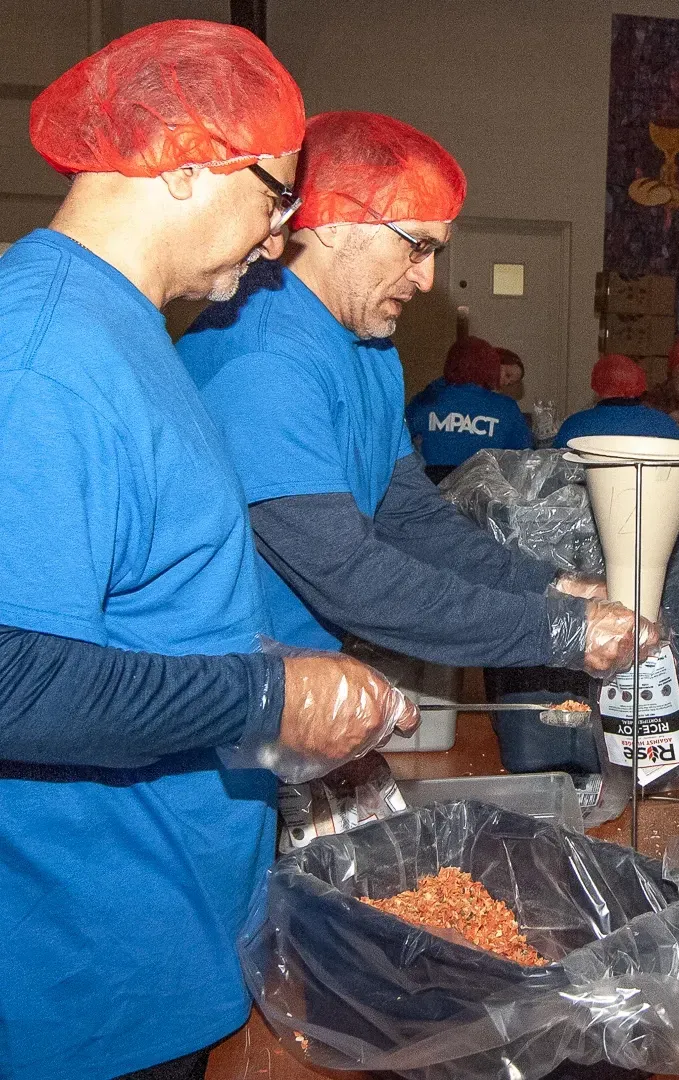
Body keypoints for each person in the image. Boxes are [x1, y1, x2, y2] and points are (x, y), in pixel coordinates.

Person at [0, 25, 416, 1080]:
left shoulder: (128, 326)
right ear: (187, 163)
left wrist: (265, 674)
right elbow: (11, 675)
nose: (281, 237)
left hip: (166, 915)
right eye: (276, 197)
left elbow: (137, 606)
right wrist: (265, 702)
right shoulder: (43, 359)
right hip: (83, 958)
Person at [180, 111, 653, 683]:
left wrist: (551, 586)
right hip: (222, 696)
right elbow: (348, 577)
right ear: (335, 222)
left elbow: (410, 516)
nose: (428, 279)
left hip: (295, 678)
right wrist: (559, 630)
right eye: (415, 246)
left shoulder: (369, 348)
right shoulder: (264, 363)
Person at [407, 335, 534, 482]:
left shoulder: (426, 400)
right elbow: (525, 461)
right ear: (492, 366)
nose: (505, 383)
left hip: (430, 496)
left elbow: (396, 442)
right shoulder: (506, 408)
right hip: (484, 498)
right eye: (507, 375)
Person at [554, 352, 679, 445]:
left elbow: (554, 473)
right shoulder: (666, 425)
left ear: (596, 387)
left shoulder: (575, 425)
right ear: (639, 385)